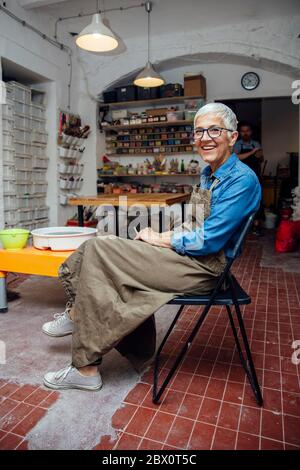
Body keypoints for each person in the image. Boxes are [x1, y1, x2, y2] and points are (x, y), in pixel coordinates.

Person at [41, 103, 261, 392]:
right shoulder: (209, 173)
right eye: (198, 132)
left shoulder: (241, 180)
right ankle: (85, 358)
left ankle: (80, 345)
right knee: (106, 256)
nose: (205, 137)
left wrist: (159, 240)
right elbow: (194, 226)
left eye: (214, 130)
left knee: (100, 250)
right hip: (191, 258)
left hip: (206, 268)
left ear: (232, 138)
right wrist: (164, 234)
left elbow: (209, 240)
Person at [234, 122, 265, 235]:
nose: (245, 133)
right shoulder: (237, 144)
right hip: (241, 178)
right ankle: (242, 227)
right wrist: (252, 152)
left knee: (257, 200)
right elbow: (236, 158)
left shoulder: (256, 144)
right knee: (242, 200)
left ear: (250, 132)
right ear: (240, 133)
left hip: (255, 176)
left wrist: (259, 155)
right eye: (243, 131)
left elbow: (260, 159)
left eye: (247, 130)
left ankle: (256, 225)